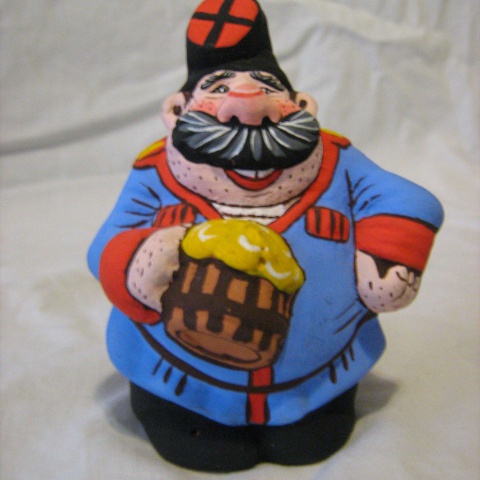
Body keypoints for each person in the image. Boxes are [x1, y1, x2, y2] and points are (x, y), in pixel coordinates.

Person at [88, 0, 443, 472]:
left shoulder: (339, 161)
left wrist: (387, 257)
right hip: (177, 376)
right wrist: (139, 261)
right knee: (191, 425)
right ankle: (185, 414)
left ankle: (310, 410)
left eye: (268, 88)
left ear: (303, 106)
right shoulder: (155, 171)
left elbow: (405, 200)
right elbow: (106, 244)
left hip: (322, 373)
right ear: (176, 111)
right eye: (218, 88)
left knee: (310, 438)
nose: (246, 104)